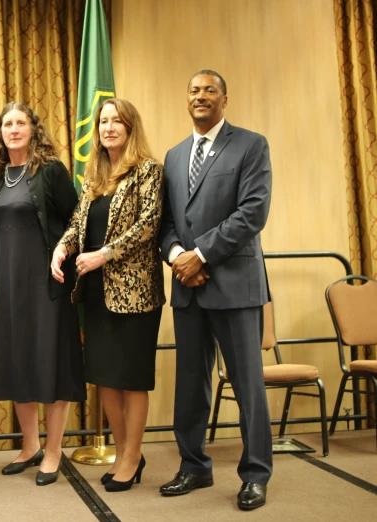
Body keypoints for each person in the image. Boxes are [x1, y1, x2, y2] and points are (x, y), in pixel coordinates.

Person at [158, 70, 272, 511]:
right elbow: (165, 223)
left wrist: (199, 256)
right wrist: (175, 257)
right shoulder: (173, 155)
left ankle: (255, 474)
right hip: (187, 287)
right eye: (194, 90)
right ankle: (193, 466)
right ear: (186, 100)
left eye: (209, 90)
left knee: (247, 385)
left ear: (225, 99)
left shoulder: (250, 144)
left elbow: (252, 212)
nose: (200, 96)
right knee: (190, 384)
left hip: (234, 286)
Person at [52, 98, 165, 493]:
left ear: (131, 127)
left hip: (135, 294)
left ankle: (132, 457)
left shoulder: (148, 171)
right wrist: (62, 247)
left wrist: (104, 254)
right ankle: (124, 451)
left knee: (131, 379)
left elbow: (149, 225)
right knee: (106, 379)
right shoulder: (95, 176)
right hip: (96, 292)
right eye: (103, 121)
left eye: (117, 121)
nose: (108, 127)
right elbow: (78, 223)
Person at [0, 102, 85, 486]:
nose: (13, 129)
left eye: (20, 122)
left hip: (48, 288)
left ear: (33, 129)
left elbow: (76, 221)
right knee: (20, 365)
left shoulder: (51, 171)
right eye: (7, 124)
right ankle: (30, 446)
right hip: (11, 290)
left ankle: (55, 449)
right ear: (0, 132)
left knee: (50, 365)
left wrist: (62, 253)